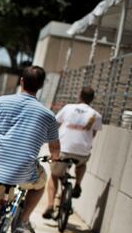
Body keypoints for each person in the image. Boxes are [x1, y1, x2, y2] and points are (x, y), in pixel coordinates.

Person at [0, 66, 60, 233]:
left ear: (21, 81)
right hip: (24, 171)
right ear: (41, 86)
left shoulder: (0, 102)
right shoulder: (47, 115)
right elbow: (55, 148)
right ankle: (23, 220)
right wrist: (54, 158)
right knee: (40, 184)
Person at [42, 86, 102, 219]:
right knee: (82, 163)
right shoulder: (95, 115)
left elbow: (55, 123)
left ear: (79, 96)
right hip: (82, 151)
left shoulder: (68, 108)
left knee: (54, 175)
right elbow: (93, 134)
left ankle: (50, 205)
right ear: (92, 99)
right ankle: (78, 184)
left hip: (63, 149)